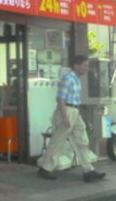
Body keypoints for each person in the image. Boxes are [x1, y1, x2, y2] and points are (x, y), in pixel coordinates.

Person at [37, 54, 106, 182]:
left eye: (87, 66)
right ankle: (45, 168)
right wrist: (65, 117)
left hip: (75, 110)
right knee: (58, 141)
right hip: (67, 110)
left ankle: (88, 170)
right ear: (76, 65)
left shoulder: (77, 80)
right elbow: (61, 99)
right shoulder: (68, 79)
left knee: (82, 140)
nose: (87, 68)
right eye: (84, 65)